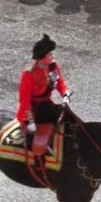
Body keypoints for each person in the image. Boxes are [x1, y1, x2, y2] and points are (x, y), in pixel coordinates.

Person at [16, 34, 70, 165]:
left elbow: (59, 82)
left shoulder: (52, 66)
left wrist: (65, 94)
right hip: (34, 110)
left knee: (66, 115)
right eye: (50, 54)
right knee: (42, 131)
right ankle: (39, 157)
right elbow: (25, 101)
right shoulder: (28, 74)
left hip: (47, 104)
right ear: (42, 57)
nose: (52, 56)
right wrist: (30, 120)